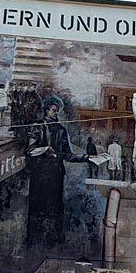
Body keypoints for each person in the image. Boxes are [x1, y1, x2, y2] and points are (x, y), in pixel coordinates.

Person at [24, 98, 90, 247]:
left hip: (56, 174)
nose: (56, 113)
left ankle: (53, 243)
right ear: (46, 110)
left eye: (57, 111)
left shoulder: (61, 130)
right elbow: (29, 150)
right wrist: (44, 150)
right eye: (53, 110)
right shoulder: (37, 127)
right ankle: (34, 241)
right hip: (39, 174)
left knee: (55, 208)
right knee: (37, 208)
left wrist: (88, 158)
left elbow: (68, 154)